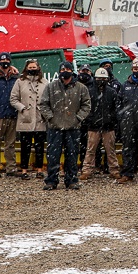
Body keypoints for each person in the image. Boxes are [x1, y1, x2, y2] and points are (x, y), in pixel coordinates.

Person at [37, 61, 92, 191]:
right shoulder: (51, 87)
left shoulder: (81, 88)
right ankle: (51, 181)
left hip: (73, 128)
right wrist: (50, 118)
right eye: (62, 70)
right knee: (53, 156)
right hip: (54, 128)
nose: (65, 72)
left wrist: (78, 118)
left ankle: (72, 180)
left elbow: (86, 105)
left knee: (72, 156)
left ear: (72, 71)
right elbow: (43, 104)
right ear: (59, 72)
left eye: (67, 69)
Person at [82, 66, 122, 180]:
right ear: (95, 78)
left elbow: (117, 109)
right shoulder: (90, 92)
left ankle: (114, 170)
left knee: (110, 151)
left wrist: (112, 121)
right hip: (93, 127)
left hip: (108, 127)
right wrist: (90, 120)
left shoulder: (112, 92)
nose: (101, 81)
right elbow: (86, 108)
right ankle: (86, 170)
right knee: (90, 150)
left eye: (103, 78)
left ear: (107, 79)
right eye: (99, 78)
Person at [10, 58, 47, 179]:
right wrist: (22, 108)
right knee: (25, 146)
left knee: (39, 146)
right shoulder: (20, 82)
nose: (32, 69)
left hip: (40, 118)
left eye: (34, 67)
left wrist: (44, 111)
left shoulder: (44, 82)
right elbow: (13, 99)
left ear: (38, 68)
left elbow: (48, 99)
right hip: (25, 118)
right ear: (26, 68)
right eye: (30, 67)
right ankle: (24, 170)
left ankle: (39, 169)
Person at [0, 52, 20, 177]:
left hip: (12, 114)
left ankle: (11, 168)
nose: (5, 62)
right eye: (2, 60)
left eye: (7, 60)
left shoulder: (16, 77)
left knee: (10, 144)